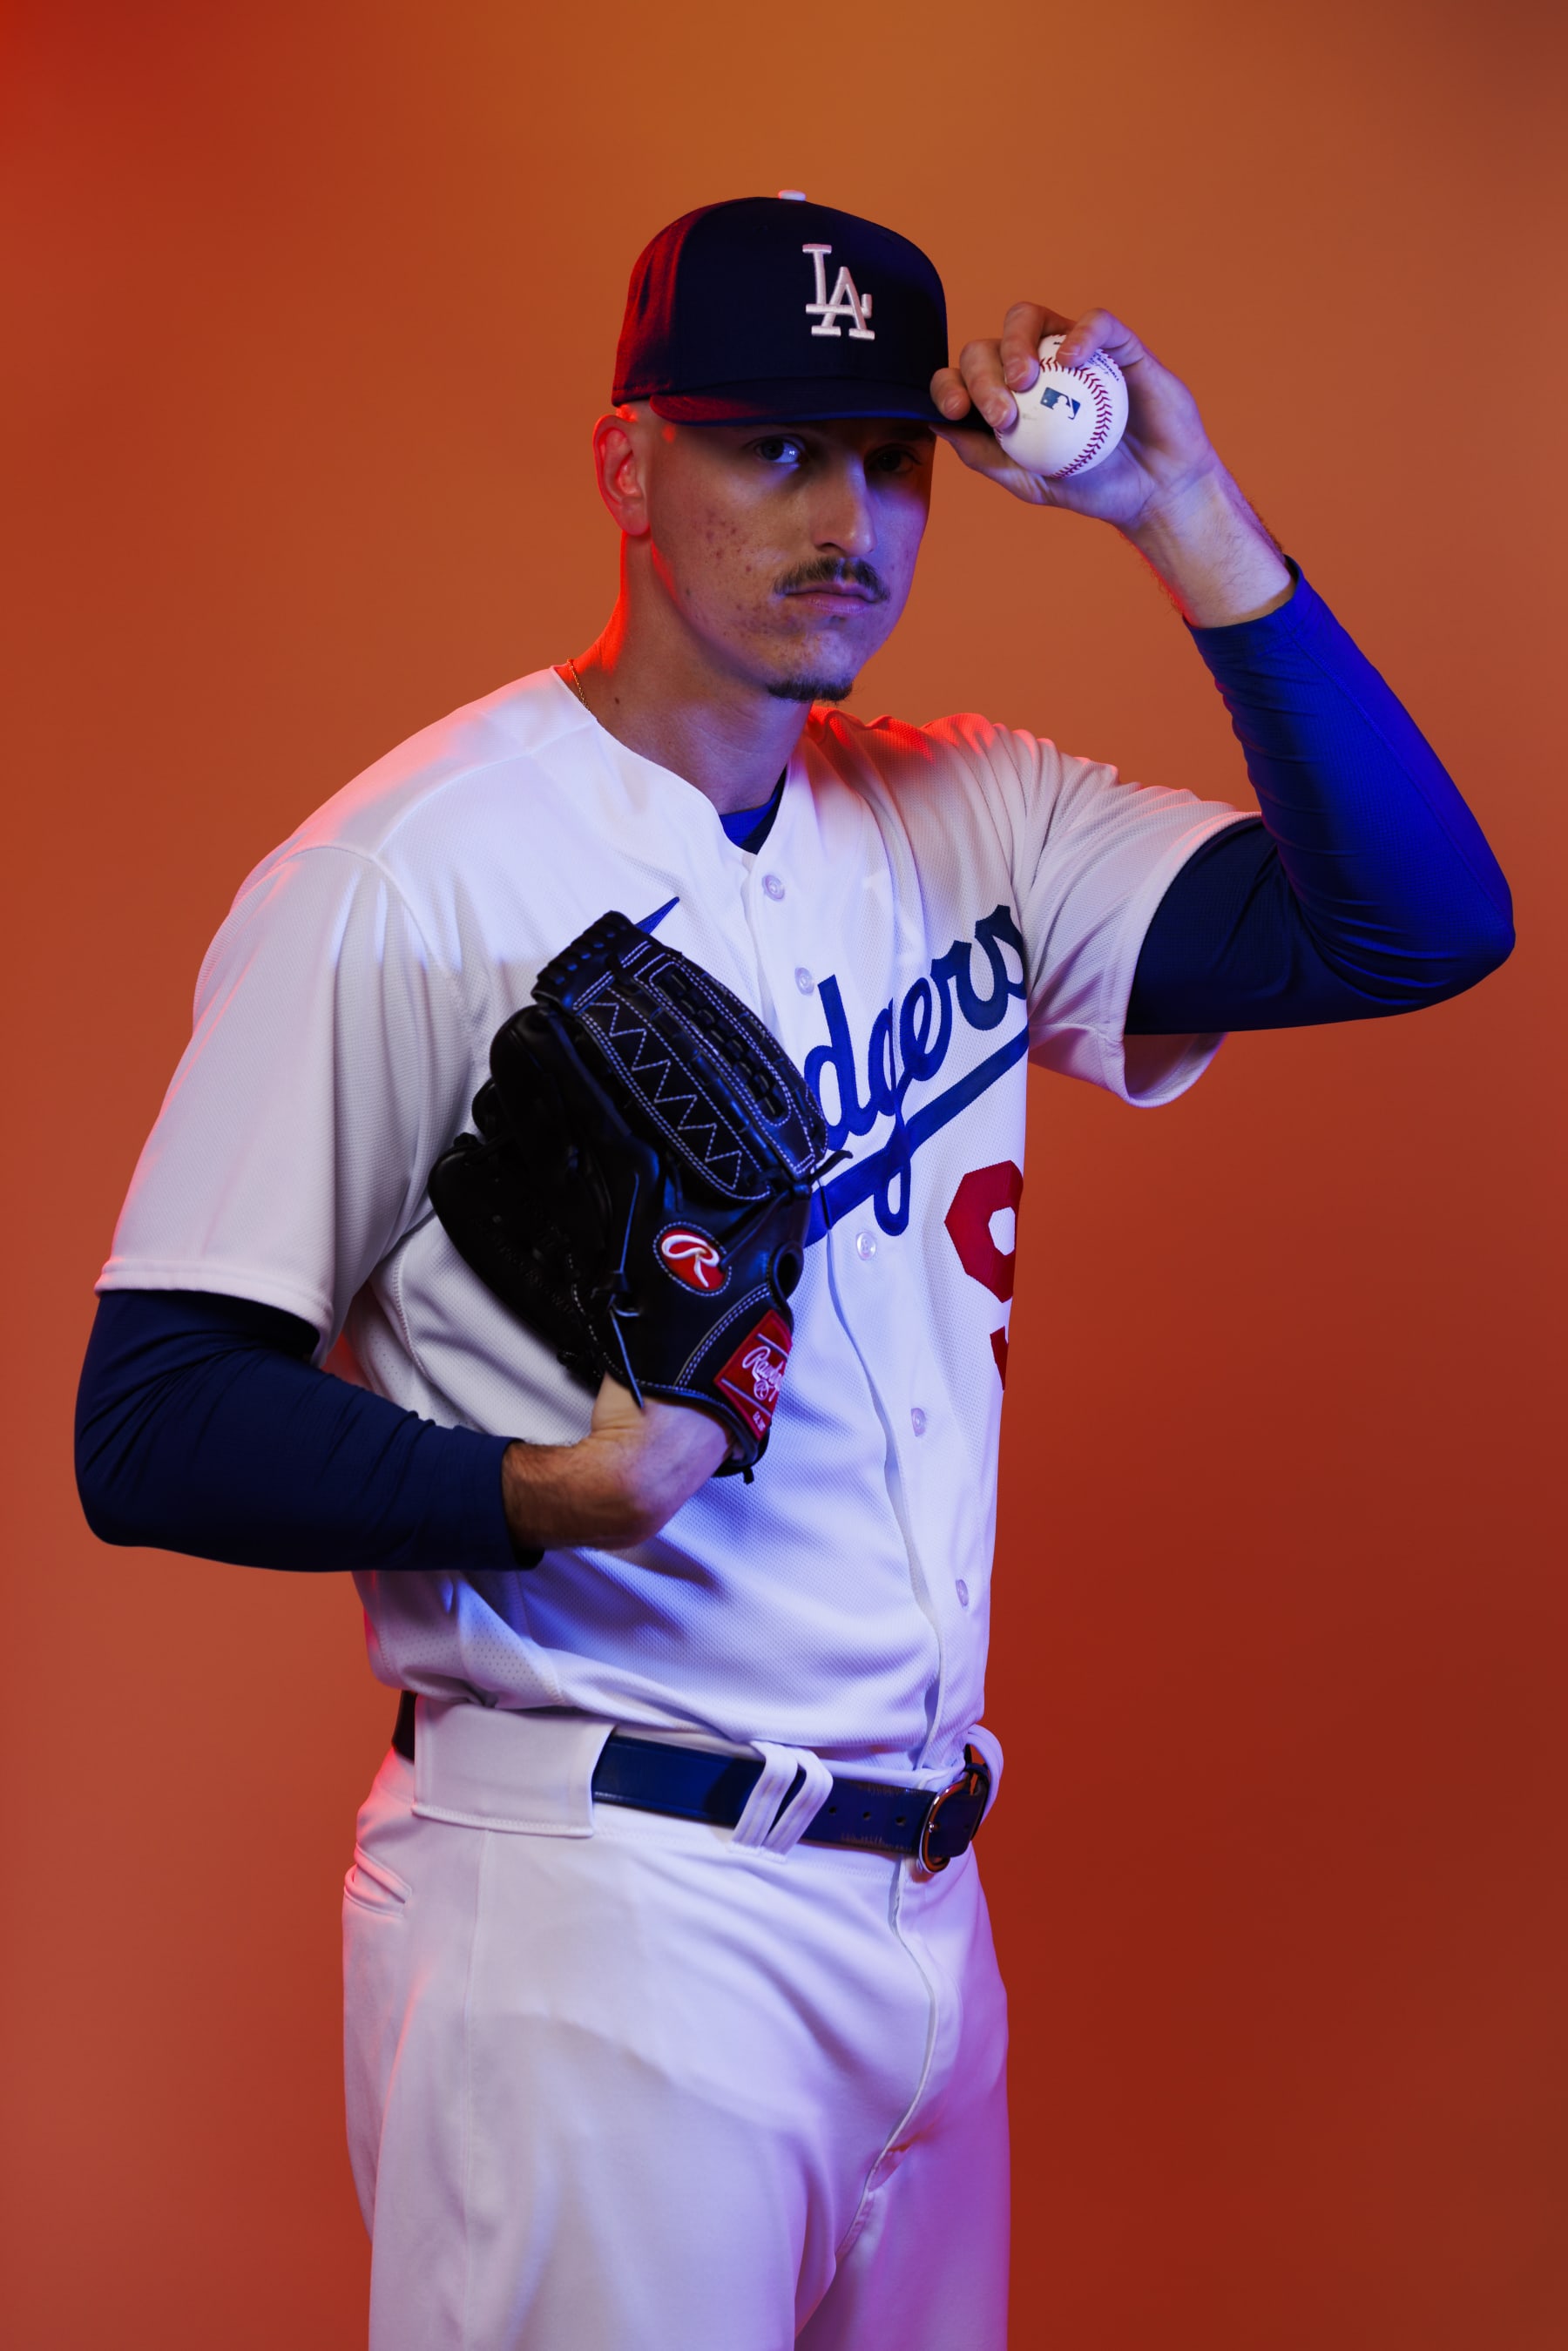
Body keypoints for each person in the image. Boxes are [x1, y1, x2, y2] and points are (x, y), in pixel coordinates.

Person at [75, 194, 1512, 2350]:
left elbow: (1416, 922)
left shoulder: (983, 819)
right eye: (773, 447)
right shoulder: (405, 873)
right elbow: (152, 1416)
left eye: (886, 453)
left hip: (929, 1919)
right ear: (628, 467)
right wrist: (517, 1497)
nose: (846, 514)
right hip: (598, 1907)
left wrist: (1177, 504)